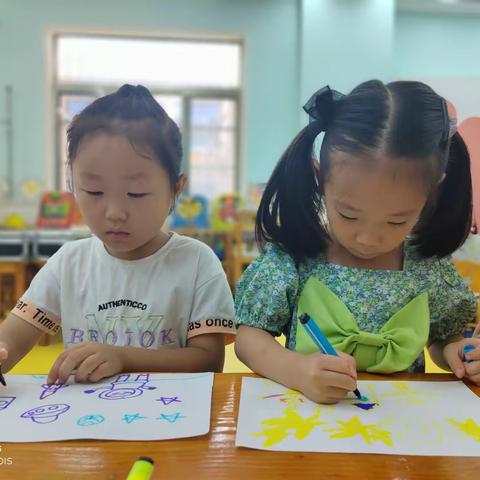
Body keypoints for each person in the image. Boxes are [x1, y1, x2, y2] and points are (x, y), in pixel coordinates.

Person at [235, 80, 479, 404]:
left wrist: (458, 353)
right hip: (305, 430)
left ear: (434, 190)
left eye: (397, 221)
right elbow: (249, 338)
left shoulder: (428, 269)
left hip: (406, 434)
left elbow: (442, 339)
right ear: (320, 177)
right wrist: (296, 370)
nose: (368, 239)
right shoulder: (297, 258)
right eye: (348, 215)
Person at [0, 84, 235, 384]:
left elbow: (209, 360)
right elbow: (13, 336)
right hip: (82, 423)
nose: (114, 212)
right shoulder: (68, 263)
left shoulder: (197, 263)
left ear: (176, 189)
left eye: (136, 193)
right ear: (73, 184)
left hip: (169, 421)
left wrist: (123, 358)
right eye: (94, 191)